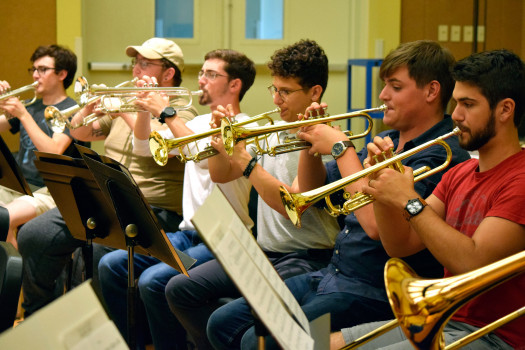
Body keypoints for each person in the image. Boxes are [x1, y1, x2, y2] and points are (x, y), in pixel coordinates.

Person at [207, 40, 472, 350]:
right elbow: (308, 193)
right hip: (333, 274)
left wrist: (341, 147)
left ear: (431, 91)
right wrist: (310, 139)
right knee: (222, 323)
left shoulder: (441, 153)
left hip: (375, 292)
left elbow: (375, 227)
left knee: (259, 342)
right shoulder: (385, 138)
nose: (382, 95)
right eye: (384, 85)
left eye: (395, 87)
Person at [333, 49, 525, 349]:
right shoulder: (459, 173)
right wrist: (382, 187)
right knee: (324, 343)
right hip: (446, 319)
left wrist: (409, 200)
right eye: (456, 103)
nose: (457, 115)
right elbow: (401, 245)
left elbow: (472, 261)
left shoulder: (520, 180)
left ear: (505, 110)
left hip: (497, 336)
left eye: (468, 104)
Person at [165, 39, 341, 350]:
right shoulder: (271, 129)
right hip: (263, 251)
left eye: (285, 92)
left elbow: (293, 206)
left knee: (225, 323)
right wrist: (221, 140)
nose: (276, 99)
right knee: (179, 289)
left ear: (314, 92)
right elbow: (221, 173)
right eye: (273, 89)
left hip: (306, 257)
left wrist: (248, 163)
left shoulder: (325, 139)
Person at [16, 38, 198, 318]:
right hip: (104, 199)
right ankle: (40, 315)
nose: (136, 69)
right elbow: (80, 134)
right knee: (34, 234)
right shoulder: (126, 102)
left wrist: (128, 112)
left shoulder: (183, 114)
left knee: (100, 249)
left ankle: (99, 329)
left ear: (168, 72)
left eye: (145, 63)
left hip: (151, 210)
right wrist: (87, 110)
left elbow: (152, 148)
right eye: (135, 62)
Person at [97, 48, 257, 350]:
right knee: (112, 264)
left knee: (152, 281)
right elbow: (145, 149)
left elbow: (202, 152)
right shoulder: (197, 123)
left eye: (211, 74)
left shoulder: (248, 126)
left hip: (226, 240)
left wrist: (167, 113)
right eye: (202, 73)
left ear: (235, 85)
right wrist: (145, 108)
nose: (202, 80)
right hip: (188, 234)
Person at [0, 44, 81, 249]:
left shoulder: (70, 110)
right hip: (20, 186)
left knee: (4, 218)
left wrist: (22, 115)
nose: (35, 75)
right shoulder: (30, 105)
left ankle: (14, 279)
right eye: (34, 69)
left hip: (51, 191)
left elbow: (53, 151)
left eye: (43, 70)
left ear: (62, 74)